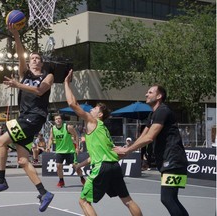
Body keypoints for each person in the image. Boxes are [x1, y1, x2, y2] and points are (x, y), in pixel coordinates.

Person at [0, 24, 54, 212]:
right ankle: (43, 192)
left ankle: (0, 180)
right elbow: (20, 52)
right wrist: (15, 34)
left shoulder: (48, 76)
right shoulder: (25, 74)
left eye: (37, 58)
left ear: (42, 62)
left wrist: (18, 85)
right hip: (25, 118)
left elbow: (39, 92)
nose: (34, 60)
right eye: (32, 58)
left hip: (34, 117)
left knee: (0, 141)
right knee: (23, 161)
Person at [64, 70, 143, 216]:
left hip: (102, 168)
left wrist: (66, 83)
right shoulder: (103, 130)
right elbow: (99, 155)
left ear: (99, 115)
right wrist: (80, 165)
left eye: (94, 109)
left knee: (83, 201)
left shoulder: (93, 122)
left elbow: (72, 104)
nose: (91, 109)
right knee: (128, 201)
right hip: (113, 167)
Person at [113, 85, 189, 216]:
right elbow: (143, 136)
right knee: (171, 198)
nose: (146, 95)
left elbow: (149, 138)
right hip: (168, 161)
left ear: (159, 96)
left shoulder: (163, 111)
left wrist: (127, 151)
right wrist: (126, 149)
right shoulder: (153, 114)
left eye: (150, 92)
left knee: (167, 198)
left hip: (174, 160)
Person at [46, 114, 85, 187]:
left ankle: (82, 178)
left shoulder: (68, 127)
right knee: (58, 166)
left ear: (61, 120)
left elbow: (76, 135)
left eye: (59, 118)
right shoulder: (53, 129)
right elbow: (51, 138)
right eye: (56, 119)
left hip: (70, 151)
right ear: (54, 121)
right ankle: (61, 181)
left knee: (75, 166)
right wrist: (48, 146)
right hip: (60, 151)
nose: (58, 120)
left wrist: (77, 147)